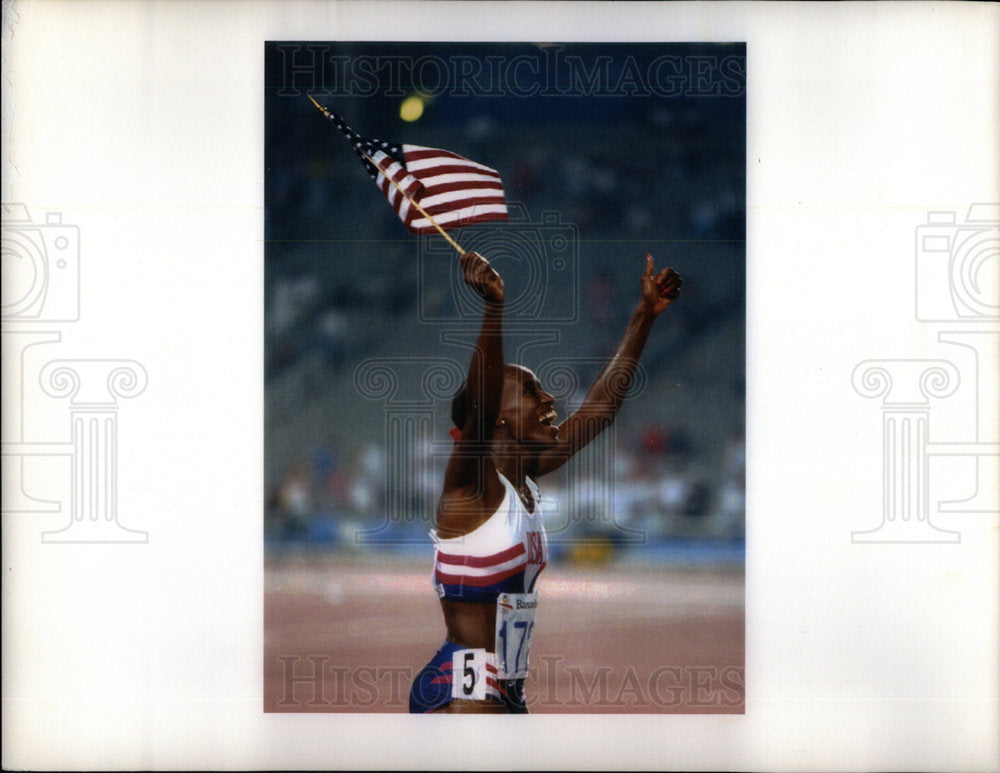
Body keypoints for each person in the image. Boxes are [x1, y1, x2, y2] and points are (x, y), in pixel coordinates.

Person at [408, 251, 682, 713]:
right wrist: (494, 307)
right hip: (467, 687)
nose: (549, 396)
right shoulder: (471, 487)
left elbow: (600, 411)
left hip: (506, 687)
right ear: (497, 414)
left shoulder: (523, 482)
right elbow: (478, 404)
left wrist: (643, 316)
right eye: (532, 392)